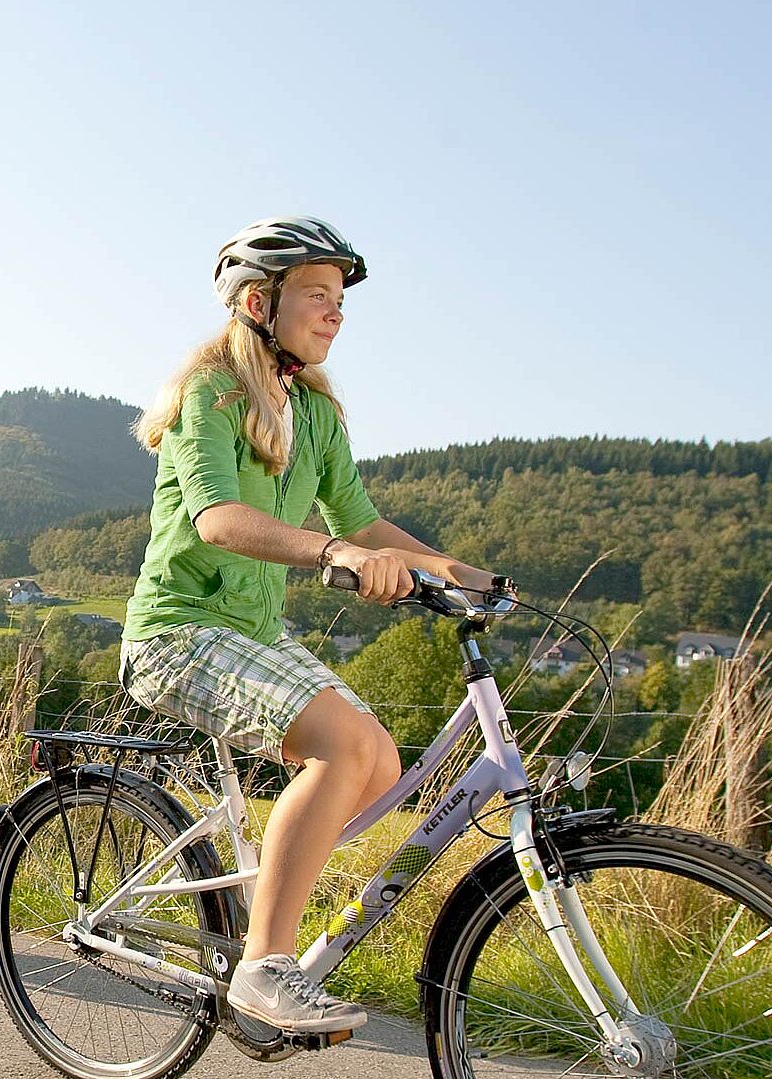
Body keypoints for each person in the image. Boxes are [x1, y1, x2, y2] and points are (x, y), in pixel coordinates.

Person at [121, 216, 505, 1033]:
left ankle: (268, 909)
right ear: (259, 302)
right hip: (177, 632)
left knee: (380, 762)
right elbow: (220, 518)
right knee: (343, 745)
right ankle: (265, 965)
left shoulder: (316, 412)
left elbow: (362, 522)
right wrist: (332, 552)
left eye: (340, 299)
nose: (336, 312)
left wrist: (458, 571)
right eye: (318, 295)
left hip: (251, 633)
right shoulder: (211, 394)